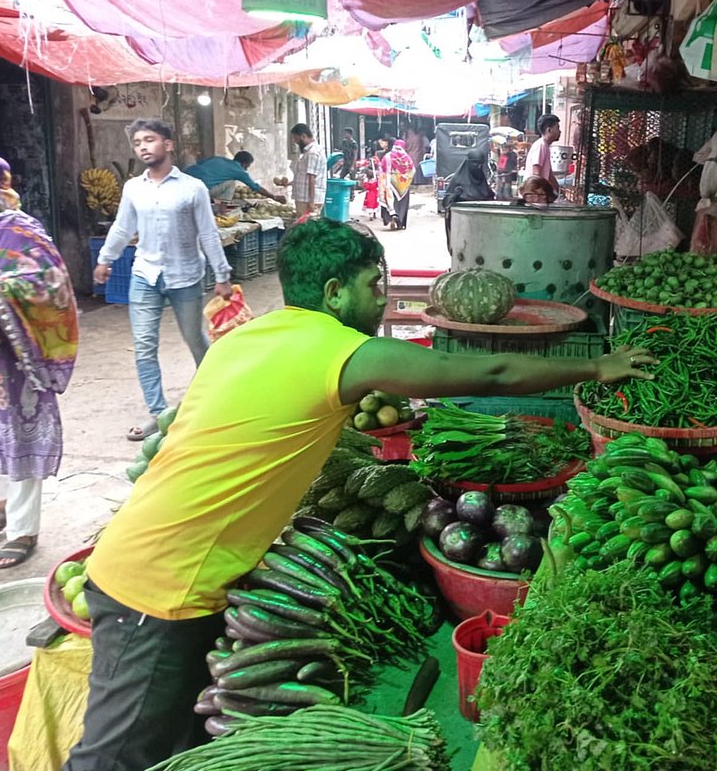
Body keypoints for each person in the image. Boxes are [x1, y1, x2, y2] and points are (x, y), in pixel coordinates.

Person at [62, 217, 655, 771]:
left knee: (176, 748)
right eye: (375, 284)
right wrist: (598, 368)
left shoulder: (249, 337)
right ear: (332, 291)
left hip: (162, 567)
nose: (384, 298)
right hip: (159, 588)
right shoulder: (338, 351)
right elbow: (491, 374)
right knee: (113, 758)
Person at [0, 141, 78, 569]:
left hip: (15, 361)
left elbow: (54, 285)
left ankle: (23, 528)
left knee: (19, 434)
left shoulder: (20, 230)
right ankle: (3, 494)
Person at [95, 120, 233, 441]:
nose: (143, 147)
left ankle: (211, 398)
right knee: (144, 347)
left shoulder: (192, 188)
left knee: (195, 339)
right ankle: (158, 414)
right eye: (138, 143)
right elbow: (122, 227)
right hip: (145, 275)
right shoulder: (133, 188)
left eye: (150, 140)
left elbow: (209, 234)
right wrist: (105, 259)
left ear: (168, 144)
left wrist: (222, 275)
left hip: (185, 276)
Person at [442, 146, 495, 251]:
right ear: (468, 163)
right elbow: (446, 202)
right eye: (475, 163)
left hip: (482, 227)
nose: (478, 167)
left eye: (481, 164)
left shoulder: (482, 180)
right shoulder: (458, 180)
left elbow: (490, 198)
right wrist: (455, 196)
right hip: (463, 227)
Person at [183, 151, 286, 203]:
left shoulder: (218, 158)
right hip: (202, 191)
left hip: (186, 183)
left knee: (189, 158)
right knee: (231, 182)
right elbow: (255, 187)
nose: (247, 169)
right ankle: (222, 209)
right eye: (248, 166)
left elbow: (199, 164)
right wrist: (274, 197)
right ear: (245, 164)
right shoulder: (240, 171)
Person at [290, 123, 327, 217]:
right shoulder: (310, 152)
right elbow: (304, 176)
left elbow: (312, 178)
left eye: (296, 139)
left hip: (306, 199)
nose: (295, 142)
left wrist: (311, 201)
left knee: (307, 228)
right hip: (304, 198)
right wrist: (289, 183)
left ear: (303, 136)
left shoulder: (312, 153)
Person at [384, 138, 416, 230]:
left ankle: (392, 216)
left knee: (391, 201)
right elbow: (413, 170)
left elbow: (382, 168)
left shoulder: (388, 156)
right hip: (403, 185)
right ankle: (400, 221)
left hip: (390, 183)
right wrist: (407, 180)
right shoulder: (407, 158)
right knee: (402, 204)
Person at [525, 114, 561, 187]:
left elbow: (549, 174)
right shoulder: (541, 145)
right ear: (549, 130)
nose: (560, 132)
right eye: (557, 128)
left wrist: (558, 189)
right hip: (535, 192)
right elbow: (536, 172)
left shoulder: (545, 146)